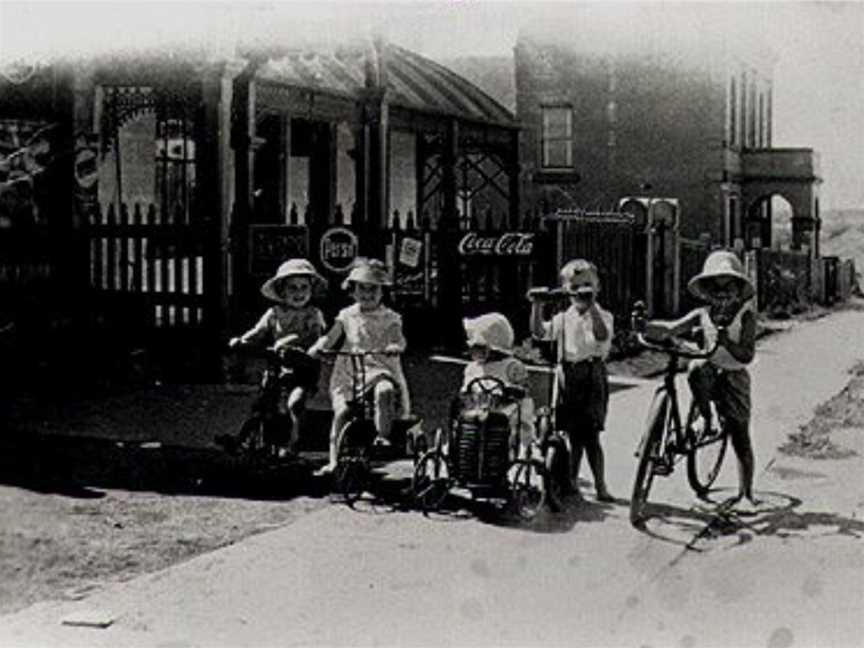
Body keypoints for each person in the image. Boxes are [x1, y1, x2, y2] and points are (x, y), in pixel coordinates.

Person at [645, 249, 759, 510]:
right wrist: (644, 326)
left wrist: (727, 341)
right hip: (709, 367)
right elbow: (670, 328)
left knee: (739, 434)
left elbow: (747, 354)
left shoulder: (746, 316)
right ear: (707, 292)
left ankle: (747, 493)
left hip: (734, 373)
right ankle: (706, 417)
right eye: (715, 290)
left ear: (738, 291)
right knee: (696, 367)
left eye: (728, 289)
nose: (721, 296)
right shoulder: (702, 314)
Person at [309, 258, 410, 475]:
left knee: (385, 390)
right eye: (362, 289)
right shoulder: (347, 315)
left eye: (373, 289)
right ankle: (334, 458)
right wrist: (319, 346)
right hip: (349, 370)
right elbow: (331, 337)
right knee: (342, 411)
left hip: (377, 367)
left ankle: (382, 437)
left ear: (382, 291)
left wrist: (394, 346)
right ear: (353, 291)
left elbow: (399, 339)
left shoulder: (390, 318)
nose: (367, 294)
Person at [217, 258, 327, 456]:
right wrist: (242, 340)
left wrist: (292, 341)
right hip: (278, 366)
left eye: (304, 288)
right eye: (292, 288)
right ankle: (242, 439)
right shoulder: (274, 313)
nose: (298, 293)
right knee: (262, 403)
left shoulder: (313, 314)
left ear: (311, 291)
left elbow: (314, 337)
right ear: (282, 291)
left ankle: (293, 443)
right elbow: (258, 331)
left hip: (302, 368)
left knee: (295, 402)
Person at [528, 259, 615, 502]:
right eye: (575, 287)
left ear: (597, 287)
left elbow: (602, 336)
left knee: (591, 434)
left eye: (588, 285)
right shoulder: (563, 317)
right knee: (571, 432)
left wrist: (592, 307)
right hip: (568, 375)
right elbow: (539, 333)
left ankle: (600, 484)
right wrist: (537, 306)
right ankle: (572, 480)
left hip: (592, 374)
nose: (582, 292)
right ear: (566, 290)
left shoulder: (603, 315)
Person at [459, 313, 536, 459]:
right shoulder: (471, 368)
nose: (473, 350)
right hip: (478, 411)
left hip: (506, 411)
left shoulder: (512, 366)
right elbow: (466, 391)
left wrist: (514, 391)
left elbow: (524, 390)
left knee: (514, 425)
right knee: (465, 425)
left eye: (478, 347)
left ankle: (520, 454)